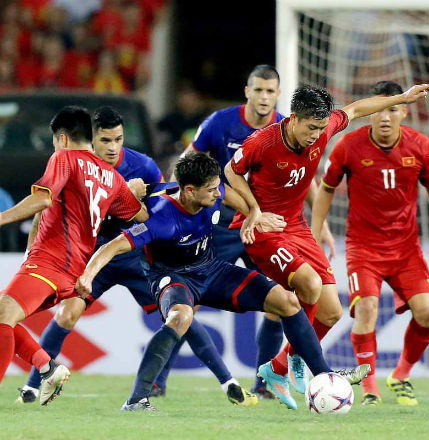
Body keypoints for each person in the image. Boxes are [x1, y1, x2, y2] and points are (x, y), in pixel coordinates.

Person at [74, 152, 370, 411]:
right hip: (173, 278)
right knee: (180, 317)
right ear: (189, 191)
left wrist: (255, 213)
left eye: (218, 187)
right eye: (212, 190)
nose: (218, 195)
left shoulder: (212, 192)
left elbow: (231, 194)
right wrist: (88, 275)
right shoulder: (160, 216)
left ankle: (323, 375)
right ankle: (137, 400)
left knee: (287, 301)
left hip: (211, 269)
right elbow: (110, 247)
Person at [15, 107, 255, 407]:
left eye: (118, 139)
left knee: (179, 313)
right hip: (94, 254)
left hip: (135, 255)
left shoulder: (143, 166)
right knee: (67, 313)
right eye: (105, 140)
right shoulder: (74, 165)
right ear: (92, 140)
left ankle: (219, 381)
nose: (113, 147)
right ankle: (33, 387)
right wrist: (31, 250)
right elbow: (46, 206)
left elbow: (164, 204)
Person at [224, 82, 429, 406]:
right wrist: (254, 211)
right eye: (311, 128)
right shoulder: (263, 142)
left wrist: (402, 97)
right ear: (294, 118)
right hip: (265, 230)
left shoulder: (323, 129)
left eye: (322, 129)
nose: (316, 136)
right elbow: (230, 171)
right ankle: (302, 362)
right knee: (308, 284)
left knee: (332, 311)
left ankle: (278, 367)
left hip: (296, 225)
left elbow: (357, 108)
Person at [311, 81, 429, 406]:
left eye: (393, 109)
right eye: (380, 108)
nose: (386, 116)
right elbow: (326, 189)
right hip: (363, 248)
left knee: (427, 311)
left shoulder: (420, 146)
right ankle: (369, 388)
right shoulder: (348, 146)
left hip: (406, 249)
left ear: (404, 111)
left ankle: (401, 375)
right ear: (370, 113)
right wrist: (316, 229)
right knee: (367, 308)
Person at [0, 106, 147, 405]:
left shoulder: (64, 158)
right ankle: (46, 367)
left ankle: (45, 367)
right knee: (6, 317)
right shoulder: (112, 177)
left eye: (55, 142)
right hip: (73, 273)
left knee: (3, 316)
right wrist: (135, 193)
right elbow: (140, 215)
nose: (54, 147)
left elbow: (42, 199)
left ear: (63, 139)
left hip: (50, 262)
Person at [172, 64, 289, 398]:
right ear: (247, 91)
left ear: (278, 94)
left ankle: (265, 384)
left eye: (270, 91)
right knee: (186, 301)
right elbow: (185, 163)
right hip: (222, 224)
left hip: (265, 225)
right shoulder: (220, 122)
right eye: (259, 90)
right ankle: (156, 380)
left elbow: (303, 177)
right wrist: (180, 204)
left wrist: (318, 223)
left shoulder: (285, 128)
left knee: (277, 304)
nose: (264, 97)